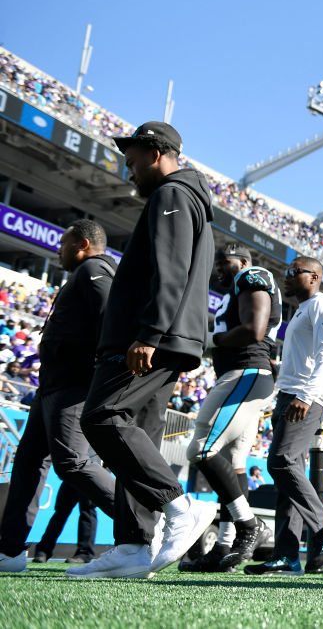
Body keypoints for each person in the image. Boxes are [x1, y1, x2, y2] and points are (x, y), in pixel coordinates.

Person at [73, 124, 218, 580]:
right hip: (168, 338)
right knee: (139, 434)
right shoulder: (186, 197)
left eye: (133, 159)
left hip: (153, 338)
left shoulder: (171, 195)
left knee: (101, 417)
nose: (128, 169)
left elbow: (169, 270)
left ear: (156, 153)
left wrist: (150, 333)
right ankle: (135, 545)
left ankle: (181, 508)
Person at [0, 220, 117, 573]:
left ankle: (146, 519)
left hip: (72, 386)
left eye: (63, 244)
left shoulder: (95, 269)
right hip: (52, 386)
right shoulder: (83, 272)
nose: (57, 250)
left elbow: (109, 316)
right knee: (28, 463)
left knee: (72, 463)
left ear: (82, 243)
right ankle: (10, 551)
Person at [182, 244, 280, 572]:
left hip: (246, 374)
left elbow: (254, 330)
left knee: (201, 449)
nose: (219, 270)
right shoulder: (232, 294)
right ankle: (223, 546)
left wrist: (211, 341)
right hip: (241, 376)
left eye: (224, 263)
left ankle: (248, 525)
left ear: (242, 262)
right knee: (234, 464)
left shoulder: (252, 276)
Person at [245, 257, 323, 576]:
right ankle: (287, 556)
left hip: (307, 396)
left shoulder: (322, 305)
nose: (286, 277)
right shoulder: (301, 309)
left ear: (314, 277)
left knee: (281, 462)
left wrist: (306, 395)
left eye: (293, 272)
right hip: (290, 394)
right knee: (289, 477)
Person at [32, 482, 98, 564]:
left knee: (87, 510)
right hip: (73, 473)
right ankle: (43, 550)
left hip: (92, 474)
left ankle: (84, 554)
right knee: (60, 510)